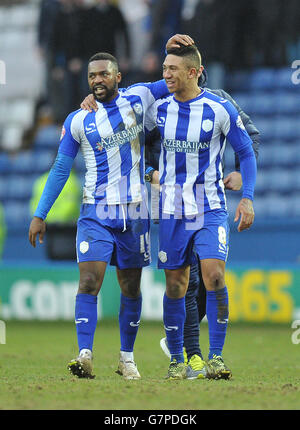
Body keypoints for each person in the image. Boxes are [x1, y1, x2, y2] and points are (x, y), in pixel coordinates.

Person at [28, 35, 192, 380]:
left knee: (130, 288)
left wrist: (172, 51)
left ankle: (126, 358)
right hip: (95, 214)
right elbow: (60, 169)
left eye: (103, 74)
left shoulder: (140, 97)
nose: (97, 80)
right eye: (92, 76)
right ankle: (84, 355)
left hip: (134, 215)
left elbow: (178, 79)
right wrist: (40, 214)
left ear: (119, 76)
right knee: (89, 280)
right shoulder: (77, 120)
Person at [144, 43, 256, 380]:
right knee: (177, 284)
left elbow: (246, 152)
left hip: (210, 207)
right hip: (172, 210)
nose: (166, 76)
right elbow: (134, 147)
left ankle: (215, 358)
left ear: (193, 72)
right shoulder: (157, 109)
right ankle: (177, 359)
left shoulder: (220, 109)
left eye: (172, 70)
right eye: (164, 69)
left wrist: (247, 196)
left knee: (214, 276)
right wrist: (150, 174)